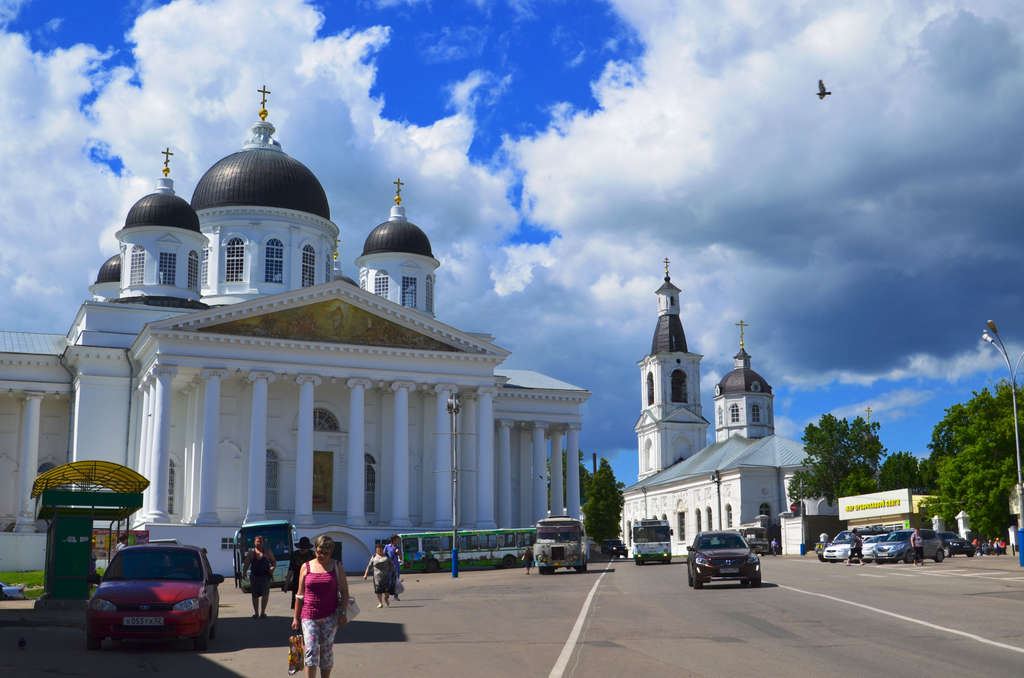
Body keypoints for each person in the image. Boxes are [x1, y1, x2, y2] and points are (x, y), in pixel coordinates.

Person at [292, 535, 348, 678]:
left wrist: (343, 613)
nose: (321, 555)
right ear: (315, 549)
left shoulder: (337, 566)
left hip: (330, 616)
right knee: (311, 650)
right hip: (309, 616)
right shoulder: (306, 567)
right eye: (319, 551)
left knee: (326, 652)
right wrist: (295, 618)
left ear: (331, 552)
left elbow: (344, 591)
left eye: (325, 553)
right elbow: (299, 595)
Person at [242, 534, 277, 618]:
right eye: (257, 541)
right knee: (254, 595)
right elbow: (246, 564)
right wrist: (244, 573)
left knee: (265, 595)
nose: (259, 543)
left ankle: (263, 613)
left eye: (261, 541)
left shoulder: (268, 551)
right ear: (254, 542)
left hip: (265, 576)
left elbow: (274, 562)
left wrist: (272, 569)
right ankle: (256, 613)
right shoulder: (251, 553)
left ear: (263, 542)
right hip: (254, 577)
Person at [287, 537, 316, 609]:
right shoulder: (294, 555)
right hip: (297, 581)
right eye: (302, 547)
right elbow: (291, 569)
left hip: (310, 581)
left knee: (309, 601)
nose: (303, 549)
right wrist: (286, 583)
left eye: (305, 547)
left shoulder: (313, 555)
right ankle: (298, 618)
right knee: (297, 601)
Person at [363, 542, 393, 608]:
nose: (379, 550)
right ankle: (380, 603)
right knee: (378, 591)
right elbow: (369, 566)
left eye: (380, 549)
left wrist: (394, 572)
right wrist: (365, 575)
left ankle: (386, 598)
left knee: (387, 592)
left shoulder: (387, 556)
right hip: (377, 578)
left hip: (386, 577)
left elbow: (392, 565)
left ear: (383, 549)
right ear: (376, 550)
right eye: (377, 549)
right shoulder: (373, 557)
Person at [384, 535, 403, 601]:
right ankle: (388, 594)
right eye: (397, 539)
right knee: (389, 581)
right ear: (393, 540)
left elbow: (401, 558)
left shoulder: (398, 547)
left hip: (396, 566)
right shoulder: (387, 546)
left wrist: (399, 553)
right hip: (388, 566)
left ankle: (396, 596)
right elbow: (384, 555)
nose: (398, 541)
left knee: (396, 581)